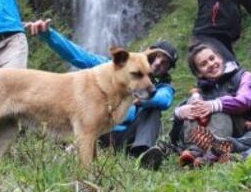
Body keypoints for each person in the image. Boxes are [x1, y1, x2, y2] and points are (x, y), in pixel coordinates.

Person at [25, 19, 176, 167]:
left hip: (127, 139)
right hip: (101, 134)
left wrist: (142, 98)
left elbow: (164, 100)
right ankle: (79, 148)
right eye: (156, 58)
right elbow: (79, 56)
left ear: (168, 68)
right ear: (147, 56)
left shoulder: (163, 86)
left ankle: (143, 154)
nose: (157, 63)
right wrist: (48, 35)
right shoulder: (112, 69)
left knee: (153, 111)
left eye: (165, 62)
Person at [170, 41, 251, 167]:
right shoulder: (201, 91)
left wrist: (214, 105)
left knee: (218, 111)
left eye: (212, 58)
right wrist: (179, 113)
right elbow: (179, 124)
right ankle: (194, 152)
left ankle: (209, 154)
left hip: (239, 129)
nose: (211, 64)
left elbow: (244, 101)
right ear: (199, 73)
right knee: (193, 107)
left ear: (220, 58)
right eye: (204, 64)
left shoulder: (243, 76)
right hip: (206, 135)